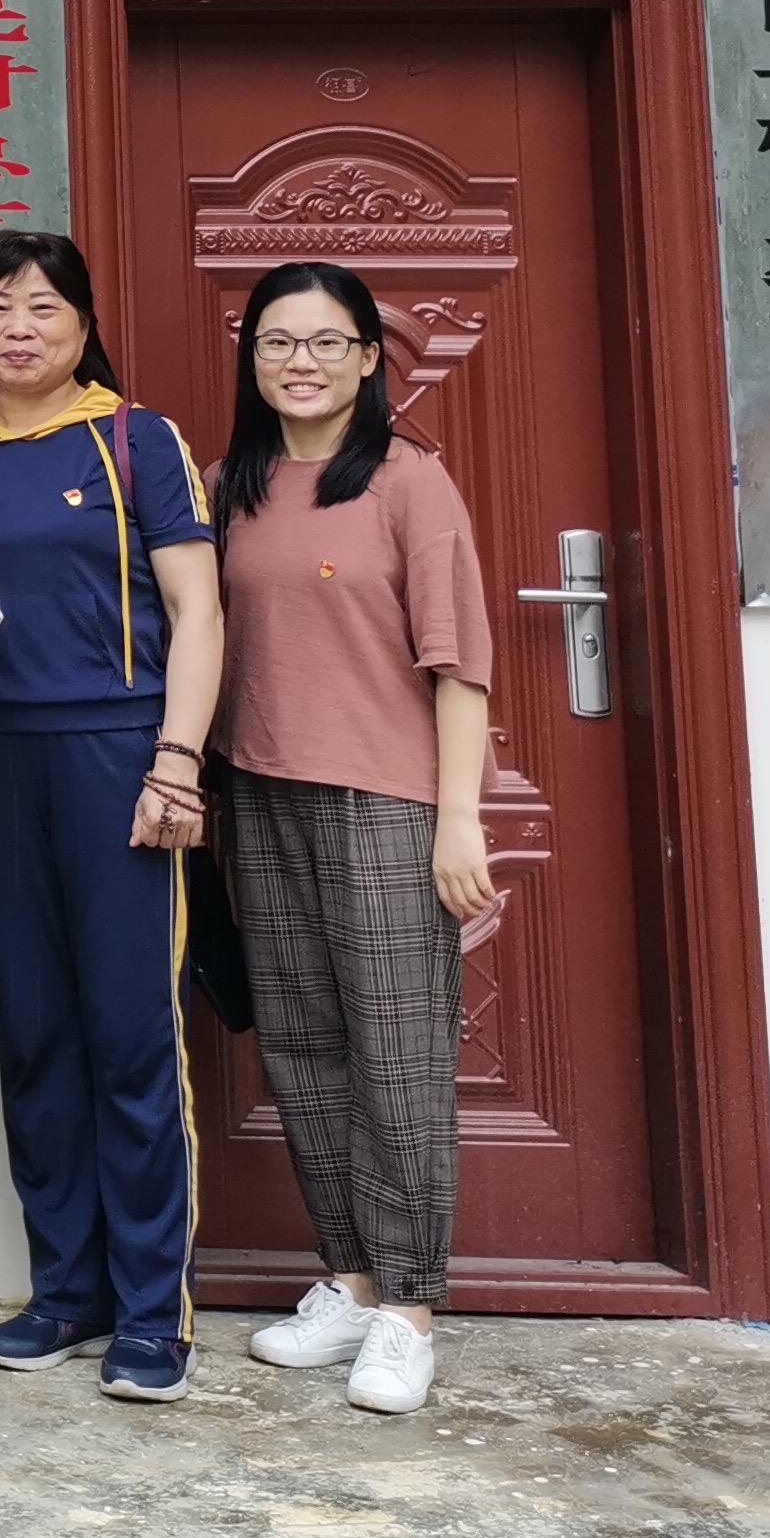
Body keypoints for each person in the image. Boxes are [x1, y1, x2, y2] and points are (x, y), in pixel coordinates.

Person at [0, 229, 223, 1405]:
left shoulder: (135, 441)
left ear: (85, 323)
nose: (18, 327)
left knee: (130, 1037)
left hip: (118, 760)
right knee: (35, 1036)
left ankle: (154, 1311)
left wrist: (176, 762)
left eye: (44, 307)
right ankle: (66, 1290)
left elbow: (197, 615)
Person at [213, 259, 499, 1419]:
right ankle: (350, 1279)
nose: (301, 362)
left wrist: (458, 818)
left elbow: (459, 661)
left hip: (385, 800)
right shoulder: (229, 484)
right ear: (252, 358)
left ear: (370, 358)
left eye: (327, 341)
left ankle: (410, 1309)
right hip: (259, 793)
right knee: (302, 1049)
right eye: (278, 341)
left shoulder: (406, 482)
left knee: (396, 1054)